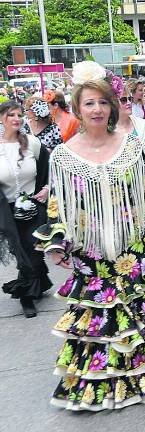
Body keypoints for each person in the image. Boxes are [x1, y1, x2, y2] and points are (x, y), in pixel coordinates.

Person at [35, 61, 145, 410]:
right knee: (106, 316)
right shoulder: (63, 157)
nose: (97, 109)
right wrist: (58, 243)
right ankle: (109, 383)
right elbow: (58, 206)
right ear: (78, 109)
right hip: (91, 250)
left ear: (112, 106)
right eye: (89, 103)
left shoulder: (130, 147)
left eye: (103, 102)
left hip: (133, 245)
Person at [0, 101, 51, 318]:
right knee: (21, 252)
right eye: (11, 115)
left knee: (35, 249)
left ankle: (26, 296)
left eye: (20, 114)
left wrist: (47, 188)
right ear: (2, 118)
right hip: (7, 211)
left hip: (34, 206)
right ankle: (38, 283)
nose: (16, 119)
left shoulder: (33, 143)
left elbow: (48, 169)